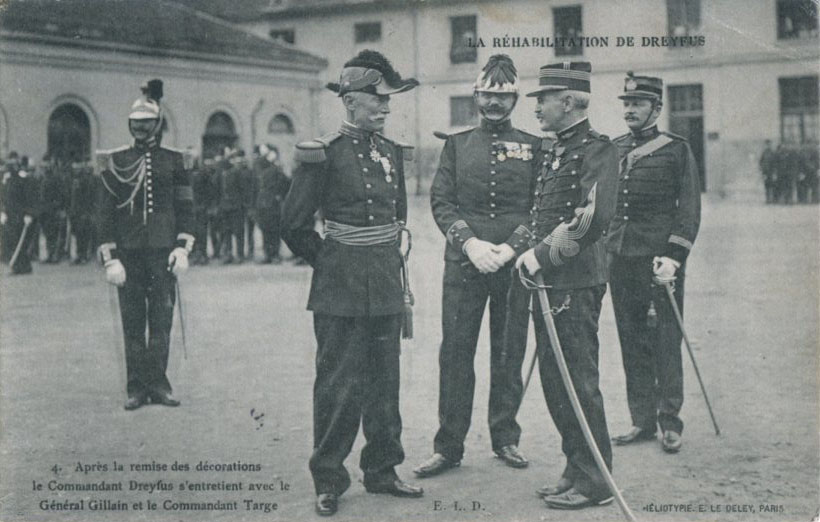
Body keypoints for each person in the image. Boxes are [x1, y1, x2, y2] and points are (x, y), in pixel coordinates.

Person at [282, 49, 423, 517]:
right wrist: (330, 261)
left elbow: (397, 214)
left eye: (388, 101)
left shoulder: (389, 152)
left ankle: (383, 470)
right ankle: (329, 478)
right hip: (339, 288)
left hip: (384, 281)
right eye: (377, 99)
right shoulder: (323, 153)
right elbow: (294, 223)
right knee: (338, 385)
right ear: (350, 101)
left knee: (385, 383)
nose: (385, 108)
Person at [414, 54, 539, 479]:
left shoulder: (534, 146)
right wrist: (469, 245)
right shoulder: (456, 144)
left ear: (516, 99)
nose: (494, 104)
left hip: (512, 266)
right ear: (476, 96)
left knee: (508, 353)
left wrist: (510, 248)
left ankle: (505, 437)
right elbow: (442, 202)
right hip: (464, 266)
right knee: (455, 354)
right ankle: (448, 446)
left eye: (503, 97)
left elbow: (540, 207)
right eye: (488, 95)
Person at [511, 61, 619, 510]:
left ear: (570, 102)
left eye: (544, 100)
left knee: (578, 380)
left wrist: (540, 255)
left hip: (574, 281)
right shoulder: (554, 149)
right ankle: (576, 466)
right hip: (549, 284)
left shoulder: (598, 149)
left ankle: (596, 481)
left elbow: (593, 218)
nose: (537, 108)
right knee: (557, 383)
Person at [606, 72, 701, 454]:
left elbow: (689, 208)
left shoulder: (676, 149)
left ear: (656, 108)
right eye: (626, 104)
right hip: (621, 255)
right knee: (631, 339)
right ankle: (642, 419)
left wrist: (675, 257)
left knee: (665, 338)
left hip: (660, 260)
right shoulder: (614, 149)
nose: (629, 109)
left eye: (638, 104)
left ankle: (670, 421)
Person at [95, 80, 194, 411]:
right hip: (129, 254)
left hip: (164, 252)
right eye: (135, 125)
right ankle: (136, 387)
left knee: (162, 320)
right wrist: (110, 258)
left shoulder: (175, 161)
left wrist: (182, 248)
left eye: (147, 124)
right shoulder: (116, 161)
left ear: (157, 125)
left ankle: (159, 384)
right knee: (133, 320)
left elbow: (187, 209)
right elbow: (104, 214)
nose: (140, 130)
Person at [1, 151, 37, 274]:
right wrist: (3, 212)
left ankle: (23, 266)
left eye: (14, 163)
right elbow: (4, 197)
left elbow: (29, 198)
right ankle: (18, 265)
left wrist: (29, 214)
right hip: (10, 215)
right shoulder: (7, 180)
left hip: (21, 215)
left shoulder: (23, 179)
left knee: (20, 241)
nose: (12, 166)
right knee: (12, 241)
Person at [254, 146, 290, 264]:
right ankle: (271, 254)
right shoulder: (271, 171)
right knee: (269, 230)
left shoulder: (269, 171)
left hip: (269, 205)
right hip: (268, 204)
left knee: (270, 230)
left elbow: (284, 185)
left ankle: (272, 254)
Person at [760, 140, 777, 204]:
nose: (768, 145)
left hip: (771, 172)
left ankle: (772, 199)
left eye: (769, 144)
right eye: (767, 144)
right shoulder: (764, 153)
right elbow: (761, 162)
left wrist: (774, 172)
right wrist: (762, 169)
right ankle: (767, 199)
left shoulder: (773, 153)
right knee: (766, 185)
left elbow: (775, 163)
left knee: (772, 185)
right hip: (765, 172)